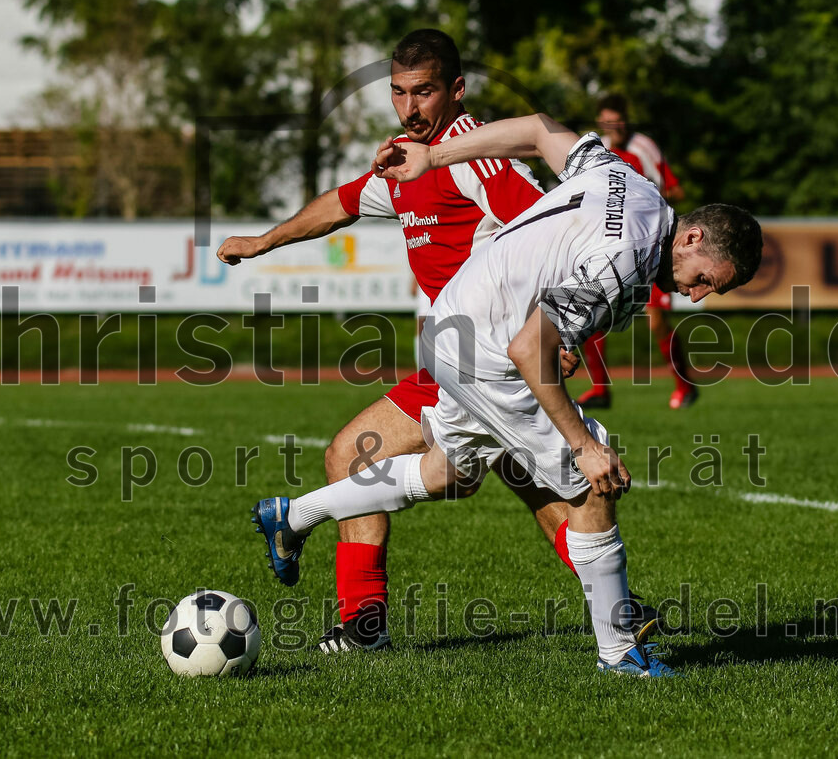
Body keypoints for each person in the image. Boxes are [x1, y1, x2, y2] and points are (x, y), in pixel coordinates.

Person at [252, 112, 762, 677]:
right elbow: (528, 349)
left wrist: (435, 155)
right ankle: (620, 653)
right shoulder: (627, 259)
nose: (697, 296)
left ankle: (293, 515)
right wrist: (581, 444)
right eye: (708, 280)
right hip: (488, 351)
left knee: (447, 472)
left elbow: (542, 127)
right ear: (692, 238)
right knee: (592, 484)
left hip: (451, 322)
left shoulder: (630, 184)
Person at [218, 30, 656, 654]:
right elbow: (342, 205)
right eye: (398, 93)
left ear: (456, 90)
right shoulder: (405, 159)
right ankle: (623, 616)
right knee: (533, 483)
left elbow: (551, 230)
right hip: (461, 357)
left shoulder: (480, 160)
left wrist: (561, 335)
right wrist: (265, 241)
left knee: (366, 457)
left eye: (423, 92)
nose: (409, 107)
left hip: (493, 352)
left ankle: (349, 603)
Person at [577, 93, 697, 410]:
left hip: (652, 244)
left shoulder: (643, 147)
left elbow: (675, 188)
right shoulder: (596, 149)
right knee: (590, 312)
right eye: (605, 119)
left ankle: (684, 386)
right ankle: (600, 389)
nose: (611, 125)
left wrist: (644, 196)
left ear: (626, 119)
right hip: (612, 244)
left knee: (657, 321)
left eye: (616, 118)